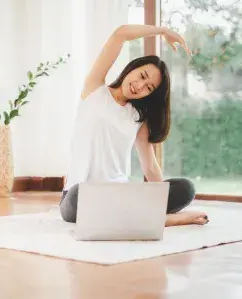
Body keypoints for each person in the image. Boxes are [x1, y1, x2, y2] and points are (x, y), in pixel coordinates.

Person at [60, 24, 209, 227]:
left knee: (185, 189)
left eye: (148, 88)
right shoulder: (94, 89)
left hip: (119, 193)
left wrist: (159, 197)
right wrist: (163, 31)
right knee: (80, 197)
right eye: (142, 76)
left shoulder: (138, 117)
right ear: (132, 68)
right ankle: (160, 219)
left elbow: (150, 166)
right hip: (80, 196)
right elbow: (119, 34)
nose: (139, 86)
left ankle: (143, 214)